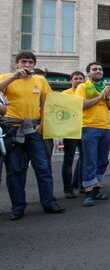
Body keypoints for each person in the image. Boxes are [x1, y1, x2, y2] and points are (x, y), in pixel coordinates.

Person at [0, 51, 65, 220]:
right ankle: (18, 206)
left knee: (43, 167)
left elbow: (46, 104)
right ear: (17, 64)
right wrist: (14, 77)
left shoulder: (40, 80)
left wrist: (42, 125)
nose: (27, 65)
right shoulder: (6, 77)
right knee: (15, 170)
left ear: (34, 65)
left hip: (34, 129)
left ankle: (49, 202)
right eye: (23, 62)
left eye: (30, 62)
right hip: (12, 129)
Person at [75, 62, 110, 207]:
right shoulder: (83, 86)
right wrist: (100, 97)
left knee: (102, 160)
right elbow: (81, 104)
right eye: (94, 69)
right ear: (88, 73)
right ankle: (88, 192)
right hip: (89, 127)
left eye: (100, 69)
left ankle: (97, 188)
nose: (98, 71)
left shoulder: (106, 89)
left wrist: (106, 97)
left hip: (105, 127)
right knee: (90, 160)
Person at [61, 71, 86, 198]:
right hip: (71, 130)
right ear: (71, 80)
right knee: (68, 159)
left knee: (85, 158)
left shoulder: (86, 93)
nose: (79, 80)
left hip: (85, 128)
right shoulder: (65, 94)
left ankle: (82, 185)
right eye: (76, 78)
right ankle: (68, 189)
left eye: (81, 78)